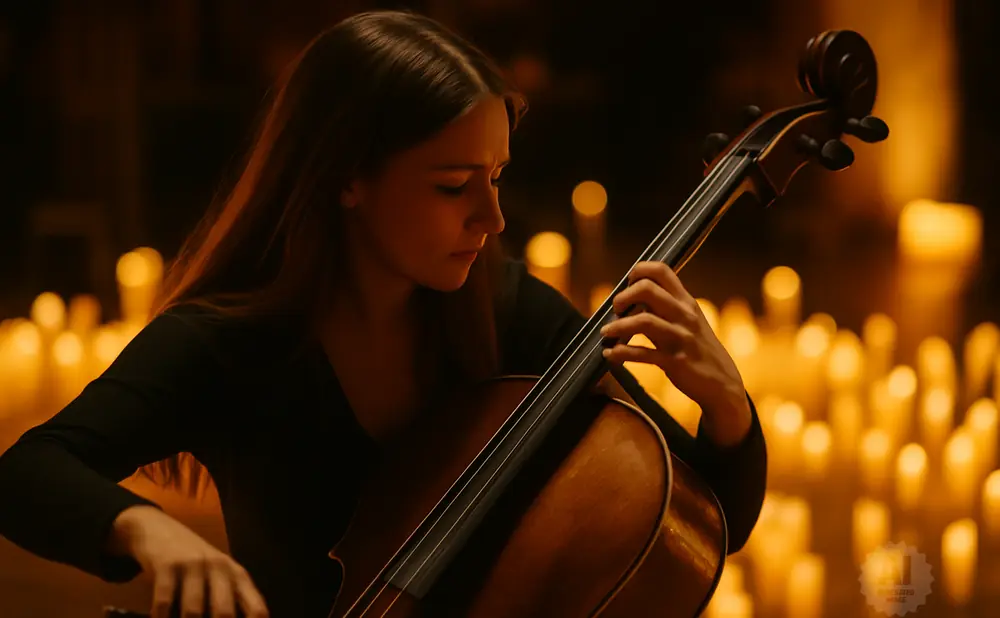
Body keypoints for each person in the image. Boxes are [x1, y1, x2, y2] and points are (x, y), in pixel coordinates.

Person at [0, 9, 766, 618]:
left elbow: (706, 519)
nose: (492, 218)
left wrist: (724, 402)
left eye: (497, 176)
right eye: (453, 185)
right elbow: (27, 473)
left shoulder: (519, 322)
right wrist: (147, 528)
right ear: (346, 180)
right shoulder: (226, 344)